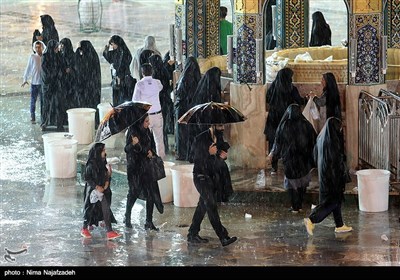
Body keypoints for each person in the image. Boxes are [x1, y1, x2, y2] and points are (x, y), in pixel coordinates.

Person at [187, 124, 237, 247]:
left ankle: (192, 233)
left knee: (202, 206)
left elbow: (216, 160)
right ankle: (223, 236)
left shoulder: (219, 138)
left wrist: (221, 156)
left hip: (212, 177)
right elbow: (192, 158)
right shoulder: (201, 138)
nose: (222, 128)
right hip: (201, 177)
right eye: (219, 125)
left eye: (223, 125)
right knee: (210, 204)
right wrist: (207, 152)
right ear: (213, 125)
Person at [304, 117, 353, 236]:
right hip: (333, 178)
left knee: (336, 201)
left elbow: (315, 157)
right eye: (339, 129)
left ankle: (340, 225)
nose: (340, 131)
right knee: (332, 202)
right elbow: (337, 162)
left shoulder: (322, 140)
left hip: (325, 176)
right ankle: (311, 219)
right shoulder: (333, 143)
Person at [267, 104, 317, 213]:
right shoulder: (306, 125)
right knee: (302, 181)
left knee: (291, 182)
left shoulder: (284, 125)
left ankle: (295, 206)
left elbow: (278, 142)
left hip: (289, 159)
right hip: (303, 159)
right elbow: (314, 140)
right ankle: (299, 204)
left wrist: (273, 154)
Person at [123, 113, 164, 231]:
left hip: (147, 167)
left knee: (150, 194)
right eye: (146, 121)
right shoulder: (132, 131)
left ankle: (149, 222)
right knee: (133, 193)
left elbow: (151, 146)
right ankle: (128, 217)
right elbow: (127, 149)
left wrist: (152, 154)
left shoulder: (147, 131)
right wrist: (134, 144)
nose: (148, 123)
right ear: (140, 121)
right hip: (135, 168)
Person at [264, 67, 306, 175]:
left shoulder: (274, 86)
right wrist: (307, 99)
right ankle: (288, 164)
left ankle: (274, 166)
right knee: (287, 141)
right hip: (285, 118)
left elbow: (268, 99)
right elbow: (299, 101)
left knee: (274, 141)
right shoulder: (291, 88)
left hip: (273, 118)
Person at [81, 142, 122, 240]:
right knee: (89, 209)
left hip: (102, 190)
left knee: (105, 208)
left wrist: (108, 179)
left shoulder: (102, 161)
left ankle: (109, 231)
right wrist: (96, 186)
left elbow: (105, 174)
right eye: (103, 150)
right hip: (93, 191)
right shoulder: (91, 165)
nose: (105, 152)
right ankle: (84, 227)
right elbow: (87, 178)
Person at [132, 63, 165, 159]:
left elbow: (135, 100)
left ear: (142, 73)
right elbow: (161, 88)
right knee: (159, 139)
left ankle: (147, 159)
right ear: (152, 72)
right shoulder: (157, 82)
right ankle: (161, 161)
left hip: (147, 116)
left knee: (145, 139)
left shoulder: (139, 84)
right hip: (158, 114)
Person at [174, 56, 202, 161]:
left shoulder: (185, 78)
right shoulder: (198, 78)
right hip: (193, 109)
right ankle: (191, 154)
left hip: (182, 109)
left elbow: (180, 93)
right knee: (192, 132)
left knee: (182, 133)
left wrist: (177, 89)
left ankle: (182, 154)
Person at [149, 53, 174, 154]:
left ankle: (156, 148)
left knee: (157, 127)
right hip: (165, 100)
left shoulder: (155, 74)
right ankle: (164, 147)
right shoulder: (164, 70)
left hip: (159, 102)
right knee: (161, 126)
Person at [74, 40, 102, 127]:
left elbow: (79, 66)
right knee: (93, 105)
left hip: (87, 87)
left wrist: (77, 52)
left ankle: (87, 122)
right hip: (93, 86)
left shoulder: (86, 57)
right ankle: (93, 122)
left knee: (86, 105)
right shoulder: (93, 55)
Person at [103, 35, 136, 106]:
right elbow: (106, 55)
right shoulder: (118, 52)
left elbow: (122, 65)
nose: (112, 46)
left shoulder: (122, 53)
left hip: (121, 79)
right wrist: (107, 46)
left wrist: (119, 75)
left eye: (113, 44)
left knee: (120, 99)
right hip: (118, 79)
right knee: (119, 98)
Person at [40, 39, 63, 131]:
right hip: (48, 85)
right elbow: (45, 72)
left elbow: (61, 68)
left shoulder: (58, 56)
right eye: (56, 47)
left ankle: (59, 124)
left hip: (56, 84)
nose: (58, 49)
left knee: (58, 104)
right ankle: (44, 123)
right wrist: (54, 75)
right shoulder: (45, 57)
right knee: (46, 105)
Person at [22, 40, 45, 124]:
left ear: (42, 48)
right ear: (34, 48)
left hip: (43, 83)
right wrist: (25, 79)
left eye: (39, 47)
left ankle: (44, 116)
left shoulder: (45, 57)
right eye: (36, 47)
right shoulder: (32, 57)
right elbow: (28, 68)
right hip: (34, 83)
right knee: (33, 100)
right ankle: (33, 116)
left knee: (43, 101)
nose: (38, 49)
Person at [59, 37, 76, 115]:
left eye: (62, 45)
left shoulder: (72, 55)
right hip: (64, 80)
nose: (61, 47)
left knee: (69, 98)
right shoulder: (61, 54)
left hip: (70, 81)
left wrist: (70, 69)